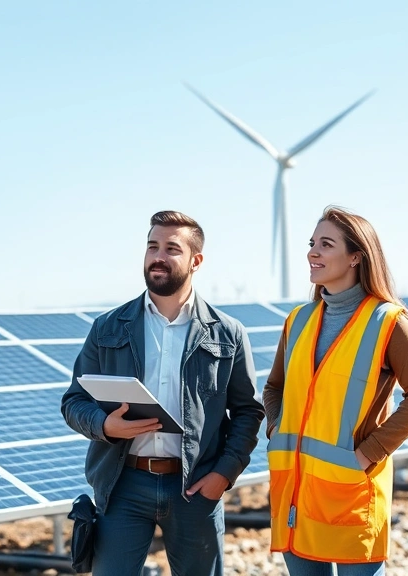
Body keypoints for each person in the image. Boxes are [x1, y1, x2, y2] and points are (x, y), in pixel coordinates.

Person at [61, 210, 264, 576]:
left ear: (195, 261)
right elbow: (74, 401)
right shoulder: (107, 327)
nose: (158, 256)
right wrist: (104, 425)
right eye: (152, 246)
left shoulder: (227, 333)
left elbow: (249, 412)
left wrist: (224, 474)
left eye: (172, 248)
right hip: (122, 485)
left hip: (195, 488)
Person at [263, 206, 408, 576]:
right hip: (296, 496)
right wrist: (276, 428)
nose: (312, 252)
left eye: (326, 244)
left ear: (356, 256)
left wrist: (369, 453)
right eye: (311, 243)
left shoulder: (388, 320)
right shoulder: (298, 320)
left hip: (351, 494)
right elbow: (274, 388)